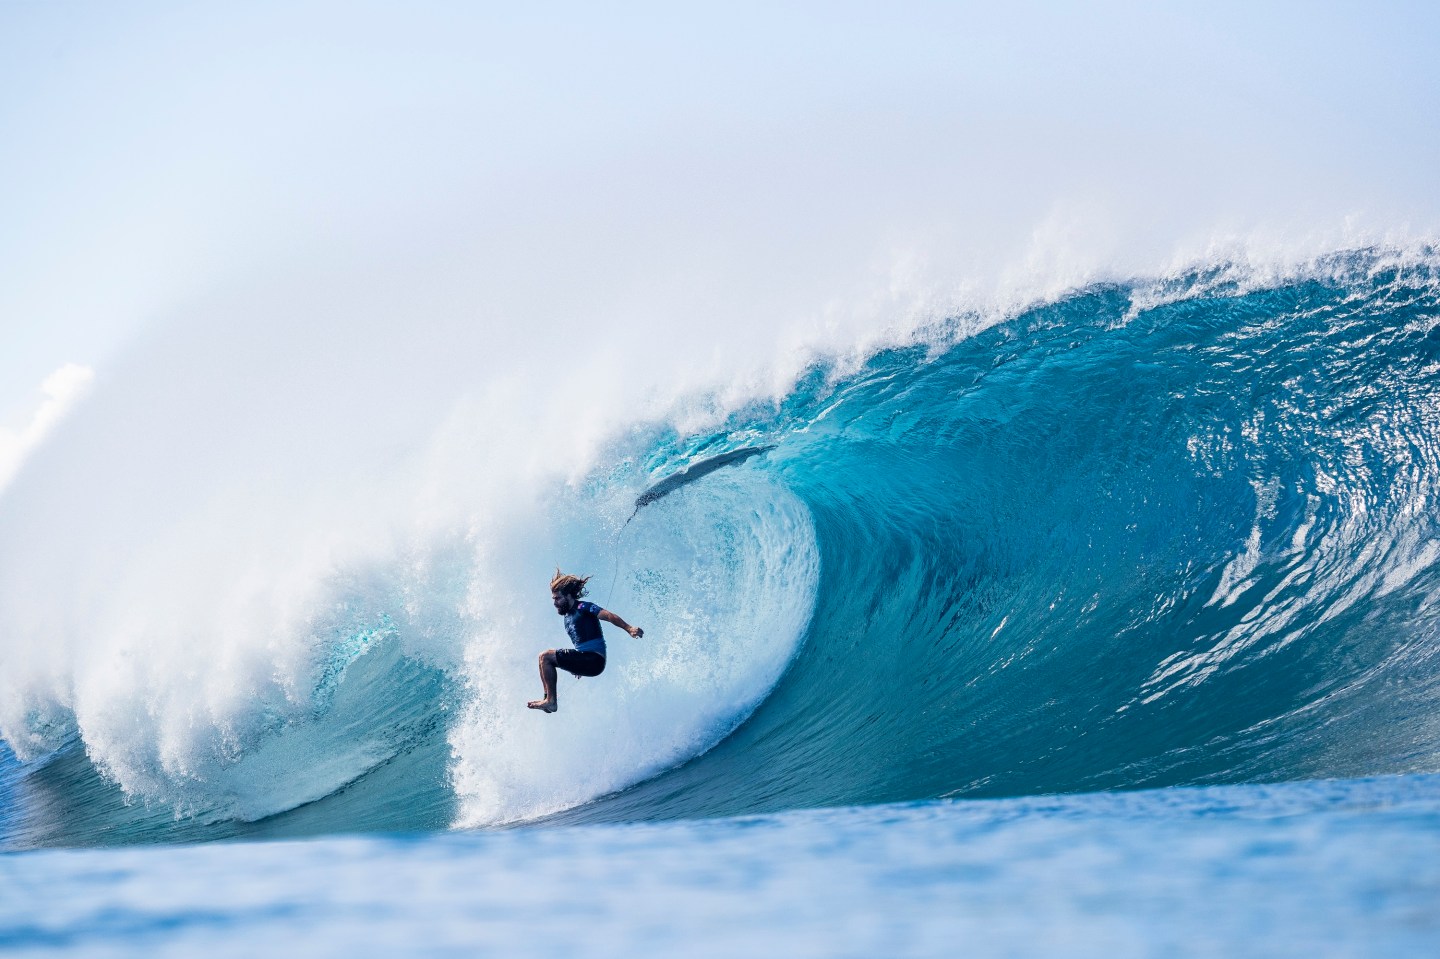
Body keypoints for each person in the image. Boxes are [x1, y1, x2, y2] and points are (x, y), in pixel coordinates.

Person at [528, 569, 644, 713]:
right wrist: (577, 666)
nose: (555, 603)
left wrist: (629, 628)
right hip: (587, 660)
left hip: (595, 660)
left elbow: (608, 615)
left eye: (557, 599)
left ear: (568, 596)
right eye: (553, 599)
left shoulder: (583, 607)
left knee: (545, 656)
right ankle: (547, 700)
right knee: (543, 659)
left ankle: (550, 701)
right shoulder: (567, 618)